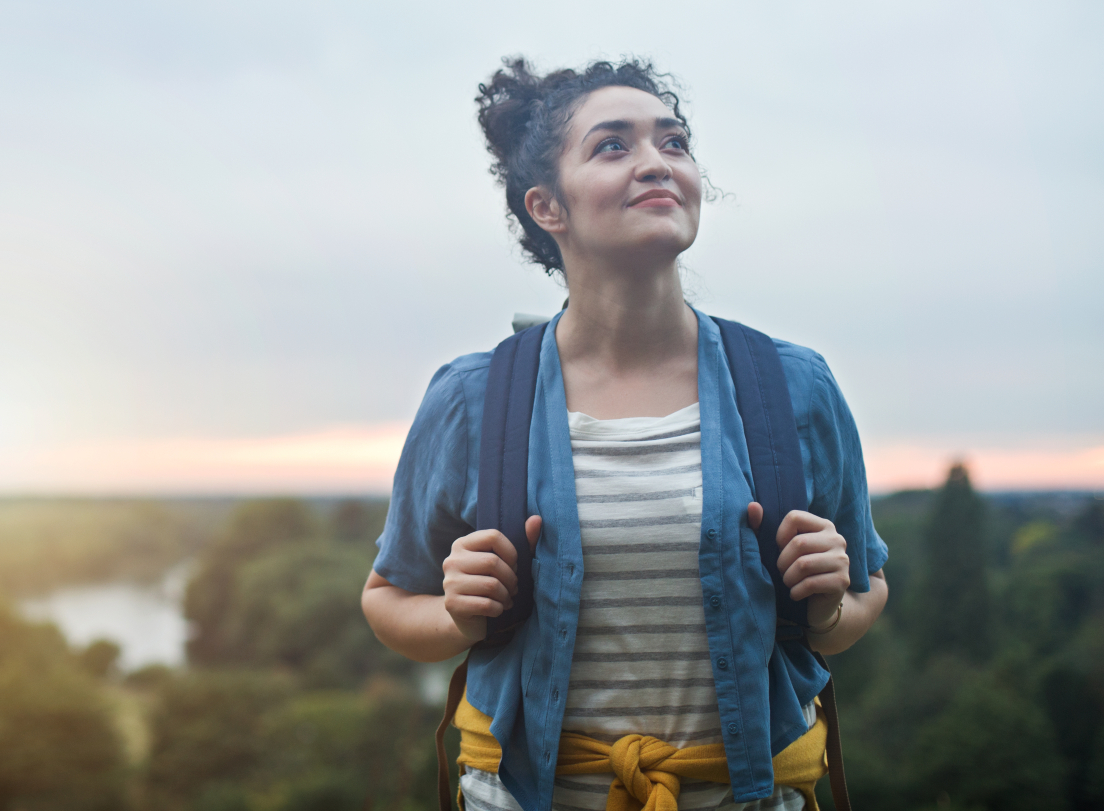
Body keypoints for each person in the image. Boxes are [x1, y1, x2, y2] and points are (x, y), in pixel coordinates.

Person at [360, 59, 889, 811]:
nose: (656, 162)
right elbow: (387, 599)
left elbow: (861, 602)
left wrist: (833, 605)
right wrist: (452, 614)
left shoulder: (796, 387)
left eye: (673, 143)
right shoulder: (472, 399)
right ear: (547, 206)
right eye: (613, 146)